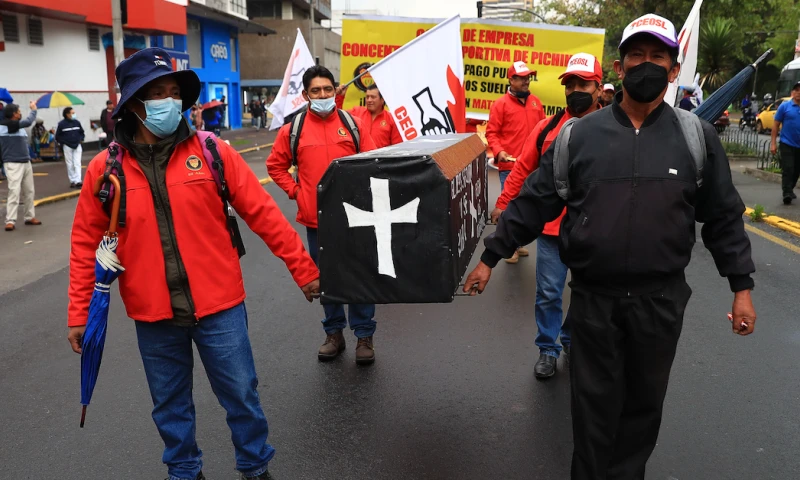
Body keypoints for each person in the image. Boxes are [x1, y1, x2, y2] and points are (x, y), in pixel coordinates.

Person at [464, 14, 757, 478]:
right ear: (619, 68)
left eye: (657, 57)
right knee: (592, 408)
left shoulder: (695, 137)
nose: (646, 65)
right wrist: (489, 257)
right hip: (594, 301)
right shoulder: (579, 136)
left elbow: (723, 217)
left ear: (674, 69)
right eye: (636, 56)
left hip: (660, 302)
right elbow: (534, 201)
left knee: (643, 408)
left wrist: (741, 287)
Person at [67, 48, 320, 480]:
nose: (168, 101)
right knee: (169, 405)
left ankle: (255, 467)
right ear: (132, 104)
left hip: (220, 305)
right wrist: (79, 314)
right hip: (153, 314)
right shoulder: (105, 170)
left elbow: (264, 214)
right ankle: (184, 471)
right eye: (155, 93)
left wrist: (304, 268)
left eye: (173, 92)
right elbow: (85, 244)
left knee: (241, 394)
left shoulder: (211, 152)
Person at [490, 53, 604, 379]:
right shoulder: (548, 127)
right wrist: (503, 203)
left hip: (594, 231)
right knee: (550, 292)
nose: (575, 90)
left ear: (599, 87)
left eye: (583, 83)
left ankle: (570, 339)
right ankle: (547, 348)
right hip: (552, 228)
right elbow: (523, 169)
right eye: (570, 84)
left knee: (585, 293)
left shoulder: (615, 129)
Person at [267, 65, 379, 365]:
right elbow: (275, 166)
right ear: (306, 95)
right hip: (317, 221)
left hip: (355, 218)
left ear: (334, 90)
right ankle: (334, 334)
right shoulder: (293, 131)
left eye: (327, 89)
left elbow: (372, 161)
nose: (323, 95)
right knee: (325, 279)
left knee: (359, 276)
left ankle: (364, 335)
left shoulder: (353, 124)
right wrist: (296, 192)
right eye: (316, 91)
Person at [485, 60, 545, 263]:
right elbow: (492, 132)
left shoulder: (536, 102)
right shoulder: (500, 104)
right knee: (509, 206)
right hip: (510, 166)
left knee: (526, 208)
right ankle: (507, 247)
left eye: (528, 77)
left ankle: (517, 244)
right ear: (511, 79)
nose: (527, 81)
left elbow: (544, 131)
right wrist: (499, 151)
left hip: (533, 167)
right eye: (522, 77)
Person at [0, 101, 42, 231]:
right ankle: (10, 220)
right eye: (18, 111)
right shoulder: (5, 126)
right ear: (13, 114)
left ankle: (29, 216)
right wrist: (34, 110)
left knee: (29, 191)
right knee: (14, 191)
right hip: (12, 163)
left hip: (25, 162)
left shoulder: (18, 127)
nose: (20, 113)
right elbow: (28, 121)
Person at [334, 83, 403, 148]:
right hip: (359, 159)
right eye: (367, 97)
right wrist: (339, 97)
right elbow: (337, 116)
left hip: (381, 159)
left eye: (373, 97)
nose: (369, 100)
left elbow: (397, 146)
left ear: (382, 100)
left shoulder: (391, 119)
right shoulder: (357, 112)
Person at [770, 80, 800, 204]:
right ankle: (786, 193)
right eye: (796, 90)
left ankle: (790, 189)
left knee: (796, 170)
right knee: (788, 168)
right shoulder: (785, 106)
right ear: (792, 92)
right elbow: (776, 125)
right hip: (786, 143)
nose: (799, 92)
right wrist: (773, 143)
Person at [55, 107, 85, 188]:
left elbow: (82, 132)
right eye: (72, 113)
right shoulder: (61, 124)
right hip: (67, 146)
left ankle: (78, 180)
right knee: (70, 164)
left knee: (77, 163)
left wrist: (81, 139)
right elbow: (58, 136)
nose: (74, 114)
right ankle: (72, 181)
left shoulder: (77, 123)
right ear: (67, 114)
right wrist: (63, 143)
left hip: (77, 145)